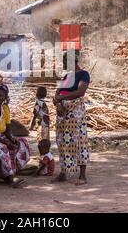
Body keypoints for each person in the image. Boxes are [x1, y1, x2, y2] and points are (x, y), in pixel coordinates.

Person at [53, 51, 90, 185]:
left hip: (75, 112)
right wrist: (57, 102)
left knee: (79, 140)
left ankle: (82, 176)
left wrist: (61, 98)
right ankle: (63, 172)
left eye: (65, 62)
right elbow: (57, 92)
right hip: (62, 113)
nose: (63, 65)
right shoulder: (67, 76)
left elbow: (80, 92)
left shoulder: (83, 74)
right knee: (62, 141)